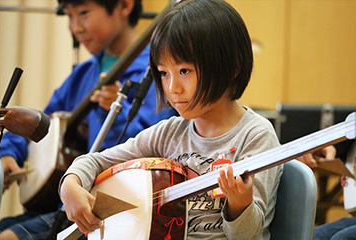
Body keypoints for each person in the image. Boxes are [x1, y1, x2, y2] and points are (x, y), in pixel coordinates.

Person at [59, 0, 283, 239]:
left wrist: (239, 203)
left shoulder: (255, 135)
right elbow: (95, 162)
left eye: (184, 71)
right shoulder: (169, 133)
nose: (172, 87)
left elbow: (247, 236)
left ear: (233, 66)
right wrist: (70, 185)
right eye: (164, 73)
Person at [0, 0, 177, 239]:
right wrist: (9, 153)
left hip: (116, 203)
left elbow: (153, 145)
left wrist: (116, 113)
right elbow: (42, 123)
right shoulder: (83, 74)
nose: (75, 27)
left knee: (9, 237)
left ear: (124, 6)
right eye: (69, 16)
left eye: (83, 13)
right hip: (67, 199)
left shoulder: (158, 71)